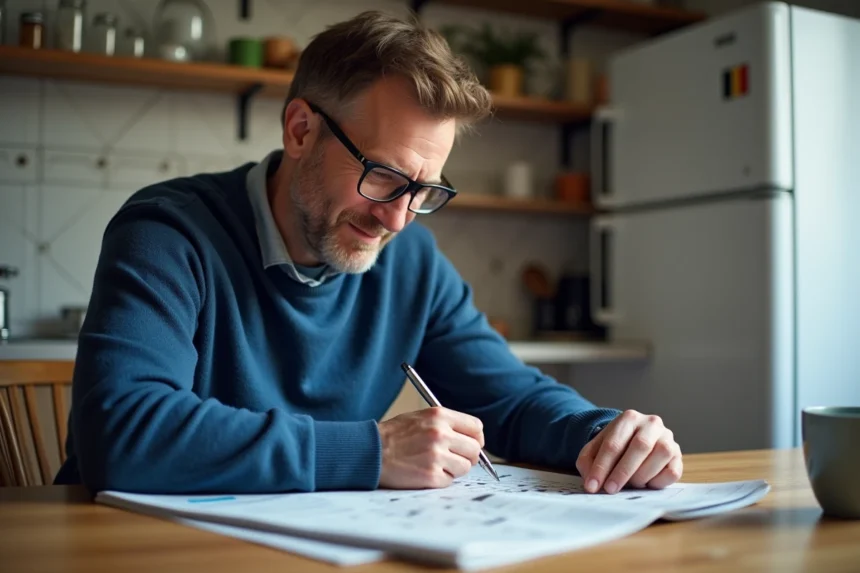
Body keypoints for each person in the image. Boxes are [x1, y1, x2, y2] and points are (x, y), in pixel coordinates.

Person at [54, 10, 682, 496]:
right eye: (383, 176)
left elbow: (510, 398)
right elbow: (122, 431)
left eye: (425, 191)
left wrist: (600, 432)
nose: (397, 218)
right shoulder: (168, 232)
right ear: (301, 130)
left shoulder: (411, 266)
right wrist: (371, 452)